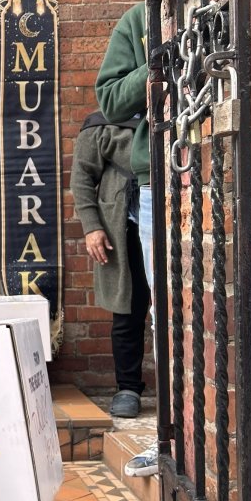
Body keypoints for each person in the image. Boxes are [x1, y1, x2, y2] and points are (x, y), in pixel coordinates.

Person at [95, 3, 158, 478]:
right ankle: (136, 390)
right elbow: (111, 97)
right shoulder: (137, 21)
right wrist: (153, 68)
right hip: (148, 189)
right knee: (137, 303)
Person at [70, 110, 150, 419]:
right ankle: (128, 387)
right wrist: (92, 227)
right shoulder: (99, 125)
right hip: (121, 227)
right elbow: (81, 177)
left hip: (166, 222)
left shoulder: (169, 113)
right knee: (128, 309)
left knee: (173, 310)